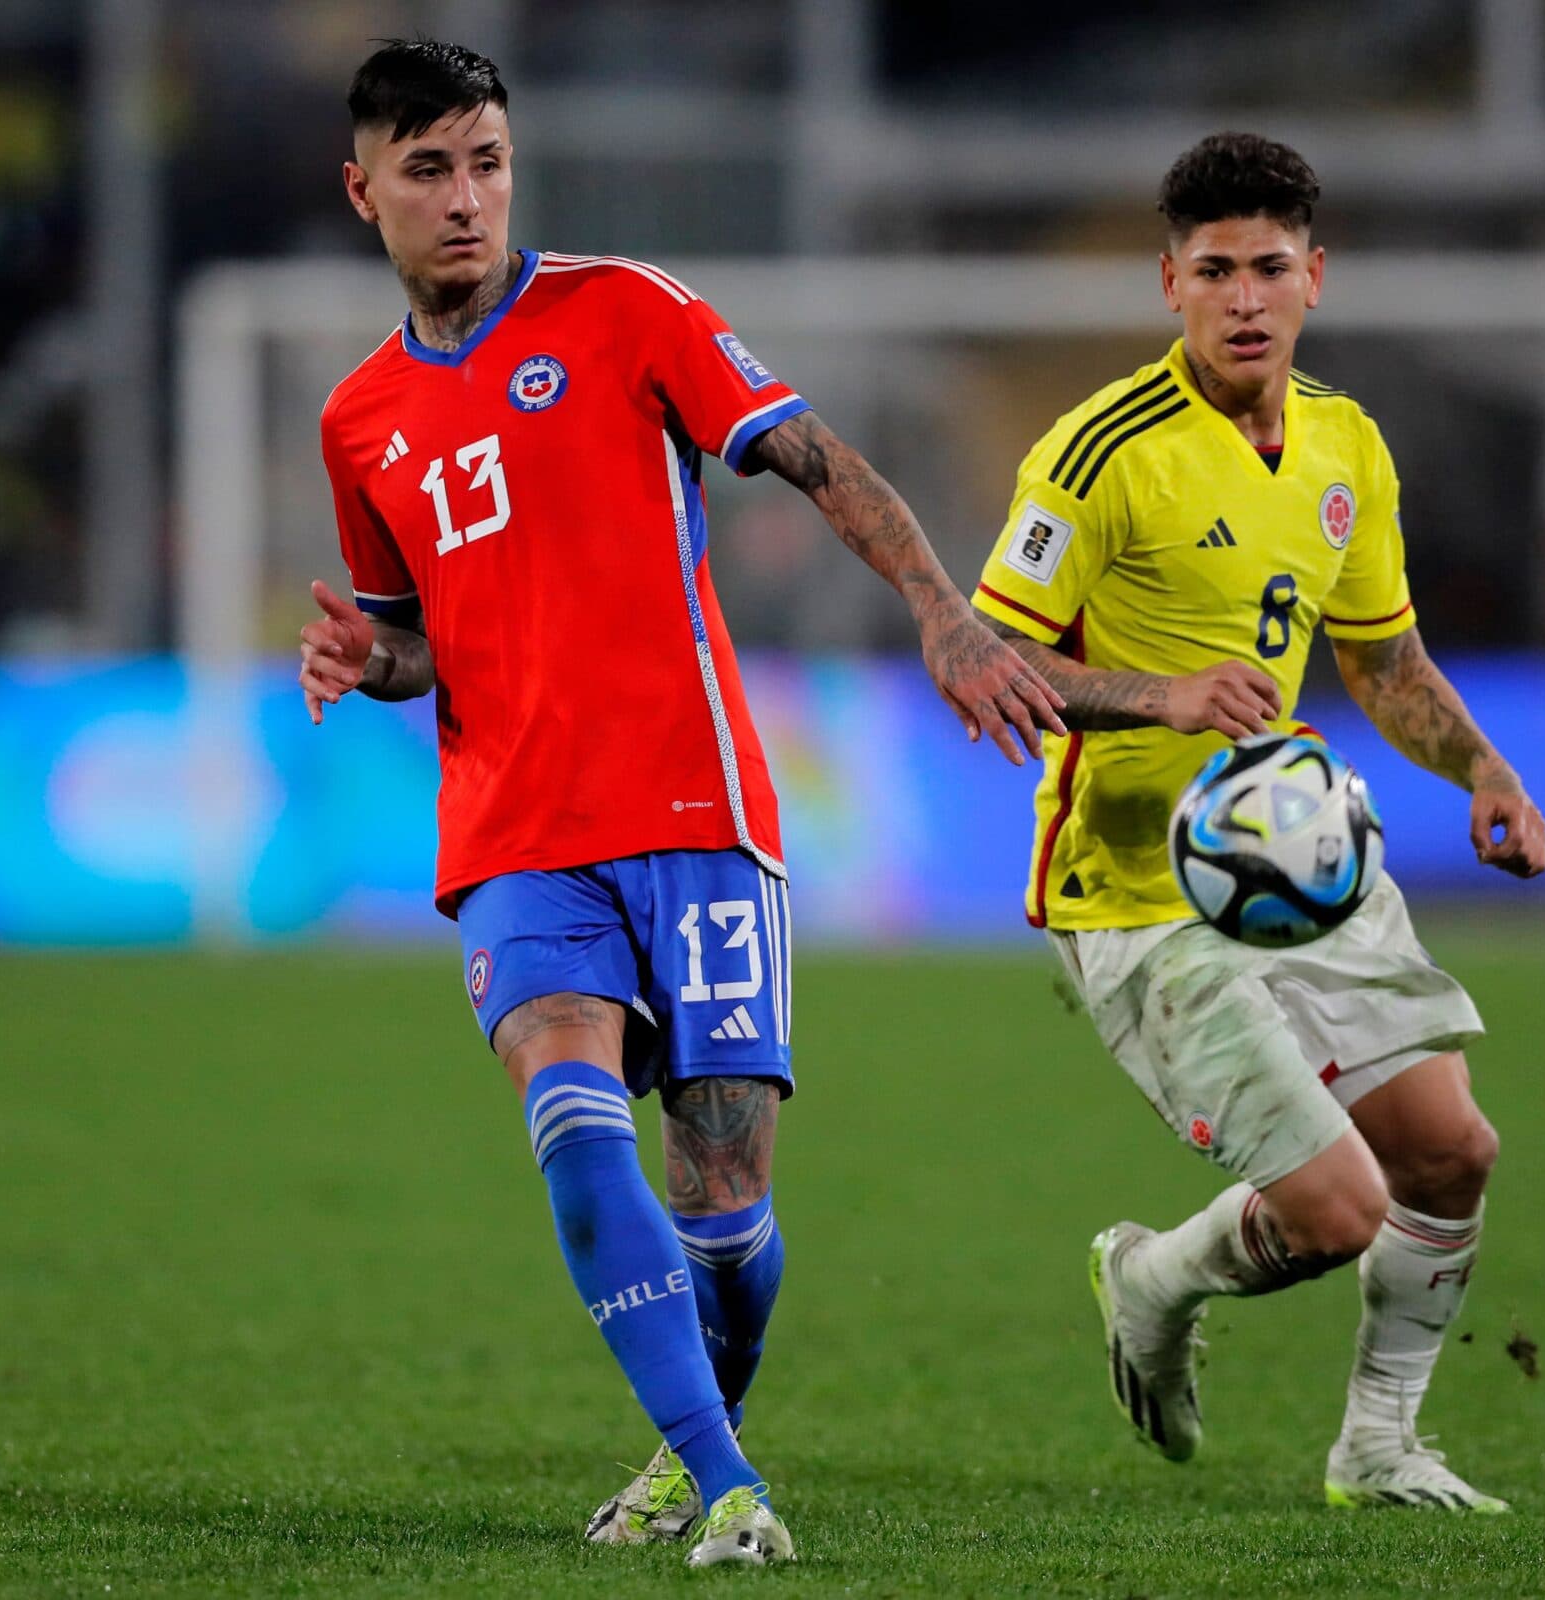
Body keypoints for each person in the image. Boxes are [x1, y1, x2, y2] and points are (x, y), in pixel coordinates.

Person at [293, 40, 1063, 1569]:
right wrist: (369, 656)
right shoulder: (360, 421)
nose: (467, 198)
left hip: (697, 811)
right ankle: (728, 1487)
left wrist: (940, 610)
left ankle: (686, 1443)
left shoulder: (622, 311)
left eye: (489, 161)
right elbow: (421, 636)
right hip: (516, 837)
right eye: (431, 167)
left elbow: (811, 455)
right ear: (362, 184)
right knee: (576, 1125)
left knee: (722, 1208)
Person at [968, 134, 1545, 1511]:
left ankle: (1380, 1448)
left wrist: (1485, 772)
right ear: (1169, 280)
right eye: (1214, 269)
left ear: (1315, 278)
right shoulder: (1095, 453)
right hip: (1137, 894)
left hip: (1302, 854)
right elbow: (988, 661)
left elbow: (1386, 662)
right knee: (1338, 1213)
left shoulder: (1345, 443)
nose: (1244, 296)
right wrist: (1159, 697)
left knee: (1453, 1153)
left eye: (1270, 268)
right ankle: (1151, 1278)